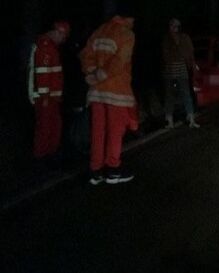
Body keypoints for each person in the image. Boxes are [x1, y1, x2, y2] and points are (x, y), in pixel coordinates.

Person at [79, 15, 139, 185]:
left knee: (98, 131)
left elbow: (86, 54)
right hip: (117, 91)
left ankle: (95, 170)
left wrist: (91, 73)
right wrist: (102, 74)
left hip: (96, 92)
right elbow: (120, 61)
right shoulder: (126, 34)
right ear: (128, 18)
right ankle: (113, 170)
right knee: (115, 132)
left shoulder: (99, 31)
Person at [28, 21, 70, 163]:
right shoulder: (45, 47)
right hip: (45, 97)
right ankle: (41, 156)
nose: (63, 40)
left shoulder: (49, 46)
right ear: (58, 32)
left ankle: (49, 154)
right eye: (63, 36)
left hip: (50, 96)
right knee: (45, 126)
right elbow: (43, 74)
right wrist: (45, 96)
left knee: (53, 125)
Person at [162, 18, 199, 128]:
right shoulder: (167, 39)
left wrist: (192, 65)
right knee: (169, 95)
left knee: (186, 94)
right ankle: (169, 120)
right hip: (169, 70)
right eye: (172, 26)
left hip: (181, 68)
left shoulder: (184, 38)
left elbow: (190, 53)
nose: (174, 28)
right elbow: (165, 55)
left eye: (176, 26)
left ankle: (191, 118)